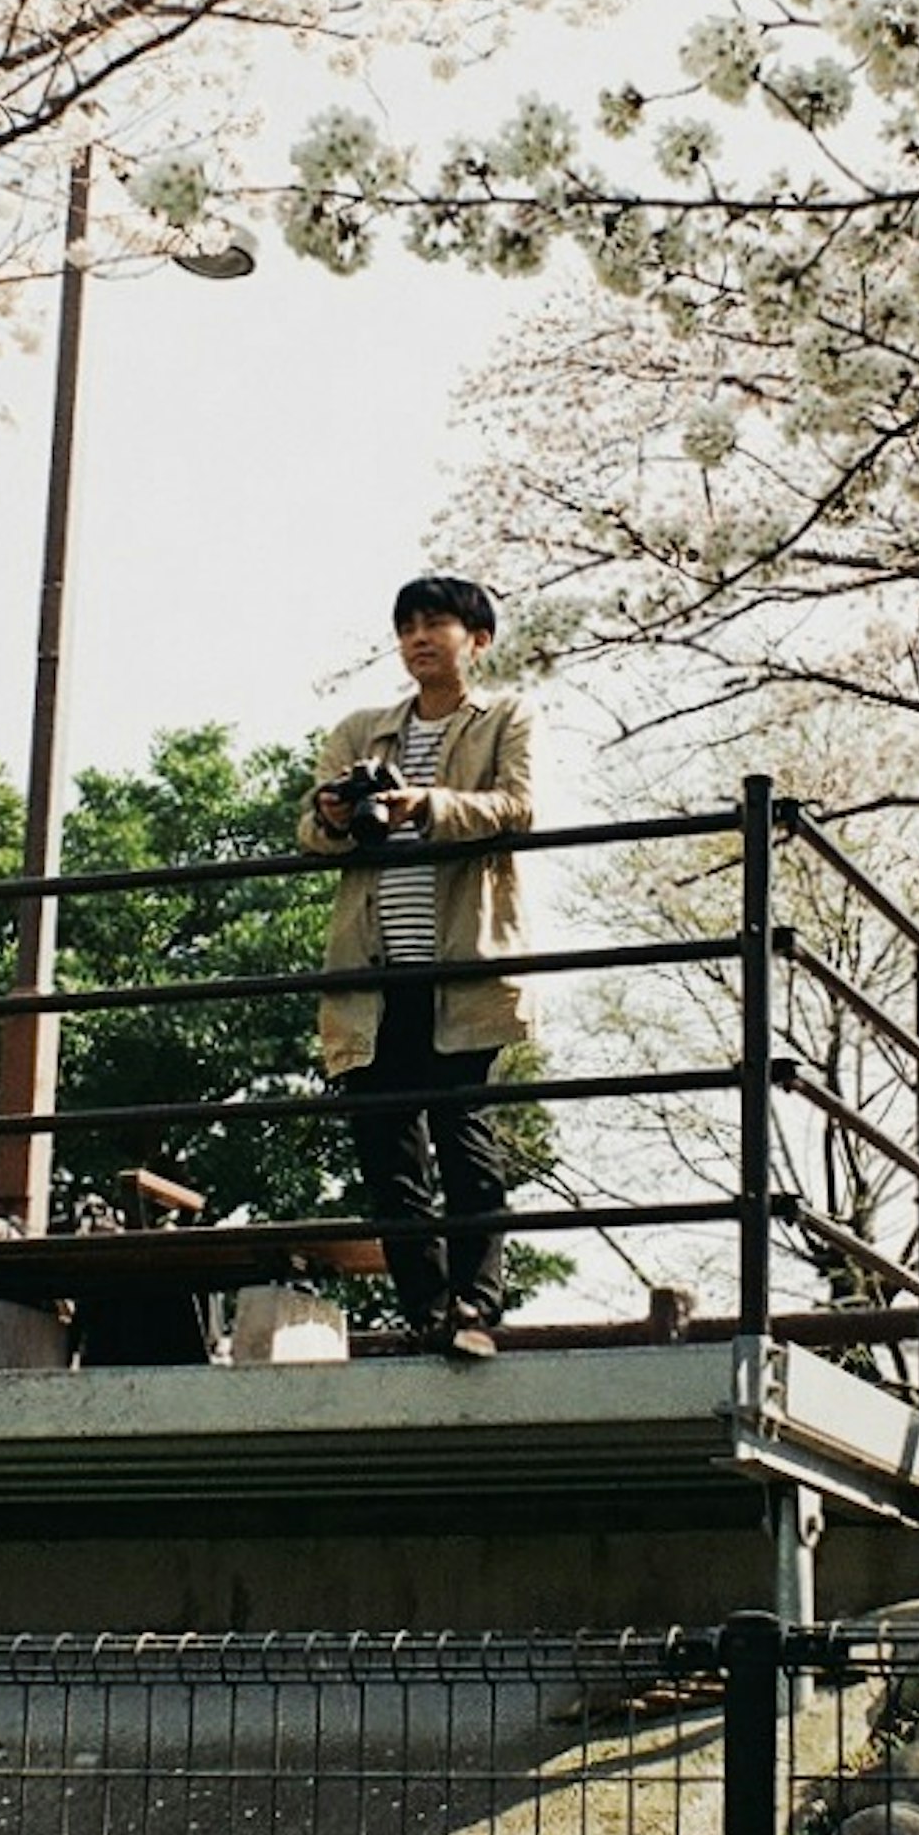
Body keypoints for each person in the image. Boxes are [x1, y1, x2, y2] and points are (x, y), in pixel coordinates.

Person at [299, 574, 536, 1361]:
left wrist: (424, 805)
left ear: (479, 638)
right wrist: (337, 813)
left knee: (463, 1135)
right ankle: (429, 1309)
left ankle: (478, 1304)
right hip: (371, 973)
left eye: (437, 622)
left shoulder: (505, 716)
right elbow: (312, 832)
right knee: (387, 1151)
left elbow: (515, 809)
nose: (419, 638)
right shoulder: (361, 730)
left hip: (460, 965)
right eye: (407, 626)